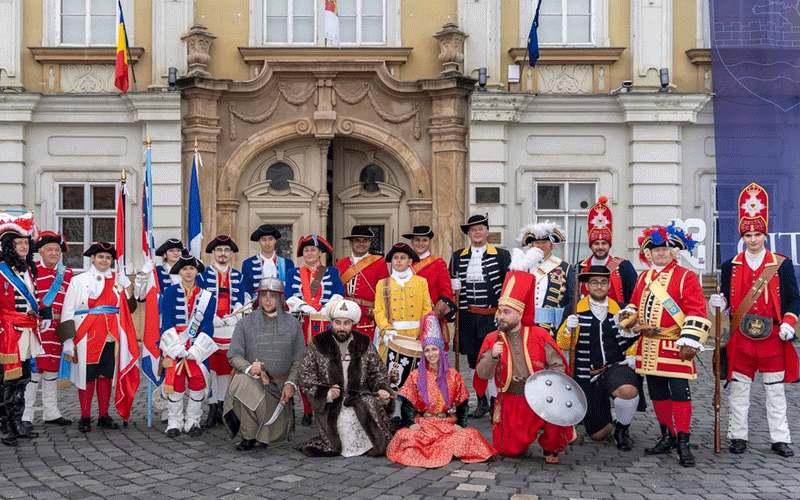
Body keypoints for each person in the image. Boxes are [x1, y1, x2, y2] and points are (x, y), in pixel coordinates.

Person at [712, 182, 799, 458]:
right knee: (738, 391)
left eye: (758, 233)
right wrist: (720, 303)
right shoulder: (730, 265)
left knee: (775, 393)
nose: (753, 239)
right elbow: (726, 297)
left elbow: (795, 299)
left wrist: (788, 322)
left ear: (765, 234)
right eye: (748, 234)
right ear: (742, 235)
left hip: (773, 337)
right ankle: (738, 436)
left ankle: (780, 438)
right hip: (742, 337)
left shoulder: (781, 264)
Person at [619, 223, 711, 467]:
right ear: (649, 253)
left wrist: (691, 340)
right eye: (656, 249)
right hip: (649, 346)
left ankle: (683, 441)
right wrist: (627, 316)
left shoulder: (686, 276)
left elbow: (697, 310)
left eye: (666, 248)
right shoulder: (643, 278)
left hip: (676, 344)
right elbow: (634, 304)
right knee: (658, 392)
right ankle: (667, 436)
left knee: (680, 393)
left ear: (674, 252)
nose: (661, 252)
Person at [475, 261, 573, 463]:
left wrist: (550, 386)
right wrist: (493, 356)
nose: (501, 317)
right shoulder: (492, 338)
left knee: (557, 417)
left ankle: (550, 445)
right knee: (508, 451)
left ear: (519, 314)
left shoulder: (539, 334)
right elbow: (482, 375)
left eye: (506, 312)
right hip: (511, 399)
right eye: (500, 312)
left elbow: (559, 366)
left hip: (541, 397)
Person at [387, 312, 496, 467]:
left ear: (441, 351)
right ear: (423, 353)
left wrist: (461, 423)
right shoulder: (416, 376)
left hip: (447, 424)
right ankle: (439, 449)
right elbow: (407, 402)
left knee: (470, 434)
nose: (431, 354)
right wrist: (411, 423)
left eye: (435, 349)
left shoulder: (453, 375)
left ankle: (442, 448)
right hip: (424, 423)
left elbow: (463, 402)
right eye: (427, 350)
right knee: (405, 435)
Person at [557, 266, 639, 450]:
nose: (599, 287)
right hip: (586, 374)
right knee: (598, 434)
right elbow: (563, 344)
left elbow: (635, 337)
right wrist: (568, 328)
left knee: (627, 390)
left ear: (609, 285)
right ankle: (608, 416)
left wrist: (633, 356)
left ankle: (622, 429)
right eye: (594, 282)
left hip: (614, 367)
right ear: (587, 286)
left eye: (603, 282)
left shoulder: (621, 310)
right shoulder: (574, 309)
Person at [58, 242, 137, 433]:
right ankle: (85, 416)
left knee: (106, 376)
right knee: (87, 376)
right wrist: (68, 340)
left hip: (111, 336)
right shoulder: (79, 280)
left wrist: (129, 290)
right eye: (101, 257)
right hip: (86, 336)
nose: (105, 261)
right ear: (92, 258)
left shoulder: (118, 281)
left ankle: (104, 415)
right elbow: (67, 310)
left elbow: (130, 310)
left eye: (108, 258)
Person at [298, 297, 393, 457]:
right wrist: (325, 393)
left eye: (346, 323)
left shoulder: (364, 343)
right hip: (331, 404)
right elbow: (306, 376)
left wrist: (381, 389)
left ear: (353, 324)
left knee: (369, 409)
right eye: (338, 322)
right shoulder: (318, 343)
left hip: (359, 398)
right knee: (340, 429)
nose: (341, 327)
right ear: (332, 322)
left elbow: (378, 372)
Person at [223, 277, 304, 451]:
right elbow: (234, 355)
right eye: (264, 295)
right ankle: (248, 435)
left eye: (273, 296)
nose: (267, 300)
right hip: (254, 382)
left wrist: (291, 384)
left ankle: (266, 433)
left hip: (279, 390)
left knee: (271, 437)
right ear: (258, 298)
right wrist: (248, 368)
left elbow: (299, 360)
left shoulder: (293, 324)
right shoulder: (245, 323)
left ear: (281, 299)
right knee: (241, 381)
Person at [449, 214, 511, 419]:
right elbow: (452, 285)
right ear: (468, 233)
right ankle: (482, 401)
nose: (477, 232)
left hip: (492, 317)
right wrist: (453, 286)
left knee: (494, 359)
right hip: (468, 317)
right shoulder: (458, 256)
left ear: (487, 232)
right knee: (475, 362)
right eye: (473, 229)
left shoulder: (501, 255)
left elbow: (508, 285)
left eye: (480, 228)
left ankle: (497, 402)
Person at [286, 234, 345, 426]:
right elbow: (289, 297)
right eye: (306, 250)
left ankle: (326, 405)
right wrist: (304, 306)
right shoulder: (293, 273)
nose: (309, 253)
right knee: (305, 367)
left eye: (313, 250)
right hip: (302, 325)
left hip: (325, 325)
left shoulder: (332, 273)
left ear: (320, 253)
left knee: (326, 367)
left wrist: (326, 308)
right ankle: (307, 409)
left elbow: (339, 295)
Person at [374, 243, 433, 429]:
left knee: (414, 376)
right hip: (392, 336)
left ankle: (414, 412)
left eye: (403, 258)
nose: (399, 261)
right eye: (396, 258)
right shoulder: (383, 284)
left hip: (414, 336)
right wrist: (386, 329)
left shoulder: (421, 282)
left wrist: (422, 335)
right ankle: (395, 410)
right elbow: (378, 311)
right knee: (393, 375)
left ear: (410, 261)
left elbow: (426, 310)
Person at [159, 254, 217, 438]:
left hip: (196, 346)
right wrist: (175, 347)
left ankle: (193, 421)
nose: (188, 272)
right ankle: (174, 422)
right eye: (185, 269)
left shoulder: (208, 297)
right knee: (174, 384)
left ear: (197, 271)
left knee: (197, 383)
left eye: (192, 268)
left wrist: (196, 348)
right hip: (174, 345)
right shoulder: (169, 293)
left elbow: (207, 324)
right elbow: (166, 321)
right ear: (179, 271)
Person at [23, 231, 74, 431]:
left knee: (52, 369)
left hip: (57, 329)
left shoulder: (67, 274)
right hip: (36, 328)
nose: (54, 253)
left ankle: (51, 412)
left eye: (57, 250)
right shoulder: (30, 271)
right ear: (40, 252)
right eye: (50, 250)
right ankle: (26, 414)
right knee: (34, 370)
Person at [0, 213, 44, 446]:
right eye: (19, 244)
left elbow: (32, 300)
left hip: (27, 331)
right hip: (7, 334)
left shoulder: (28, 270)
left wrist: (41, 313)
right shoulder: (1, 270)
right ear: (9, 246)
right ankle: (5, 425)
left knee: (23, 379)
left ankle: (17, 422)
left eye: (27, 243)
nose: (24, 247)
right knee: (5, 382)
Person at [198, 235, 245, 429]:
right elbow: (199, 302)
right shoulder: (202, 276)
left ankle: (221, 406)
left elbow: (243, 299)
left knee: (225, 369)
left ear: (231, 254)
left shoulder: (239, 276)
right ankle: (211, 407)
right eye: (219, 250)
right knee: (211, 369)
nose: (223, 254)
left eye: (226, 250)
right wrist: (210, 318)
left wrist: (235, 317)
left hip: (230, 327)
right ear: (213, 253)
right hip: (211, 327)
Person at [515, 221, 574, 337]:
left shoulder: (564, 267)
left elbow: (571, 299)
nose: (541, 245)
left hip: (552, 327)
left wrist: (564, 322)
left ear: (552, 244)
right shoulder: (521, 266)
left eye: (544, 242)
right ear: (531, 245)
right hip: (524, 325)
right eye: (537, 242)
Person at [577, 197, 637, 304]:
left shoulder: (624, 266)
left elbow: (633, 296)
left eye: (604, 243)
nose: (600, 247)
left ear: (609, 245)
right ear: (591, 245)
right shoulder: (580, 267)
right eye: (596, 243)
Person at [334, 226, 389, 339]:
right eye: (357, 241)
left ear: (369, 242)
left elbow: (384, 292)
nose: (361, 244)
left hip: (367, 315)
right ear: (351, 243)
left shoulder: (379, 262)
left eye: (365, 241)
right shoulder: (341, 263)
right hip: (345, 314)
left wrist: (377, 310)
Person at [404, 225, 456, 336]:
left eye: (424, 240)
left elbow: (446, 293)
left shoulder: (438, 263)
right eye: (417, 240)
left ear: (430, 242)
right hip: (406, 317)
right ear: (412, 241)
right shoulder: (404, 263)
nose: (420, 243)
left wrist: (434, 315)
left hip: (429, 316)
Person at [241, 224, 295, 298]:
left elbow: (290, 290)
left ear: (275, 240)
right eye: (263, 240)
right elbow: (246, 291)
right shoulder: (248, 264)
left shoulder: (287, 264)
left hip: (280, 307)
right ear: (259, 242)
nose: (267, 243)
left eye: (270, 239)